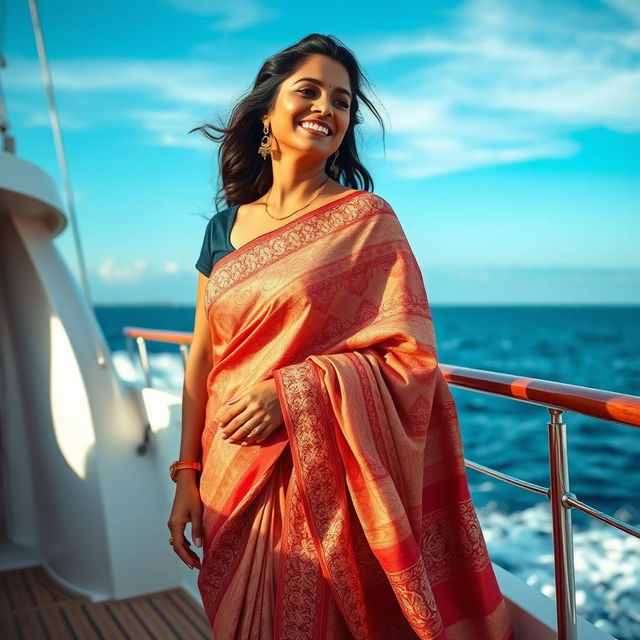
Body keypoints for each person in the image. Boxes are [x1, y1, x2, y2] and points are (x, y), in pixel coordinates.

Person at [167, 33, 515, 640]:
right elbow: (203, 356)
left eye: (342, 101)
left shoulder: (365, 222)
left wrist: (293, 393)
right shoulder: (223, 229)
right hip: (230, 468)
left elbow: (409, 356)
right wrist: (187, 475)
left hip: (320, 470)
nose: (326, 108)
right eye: (308, 91)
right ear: (267, 112)